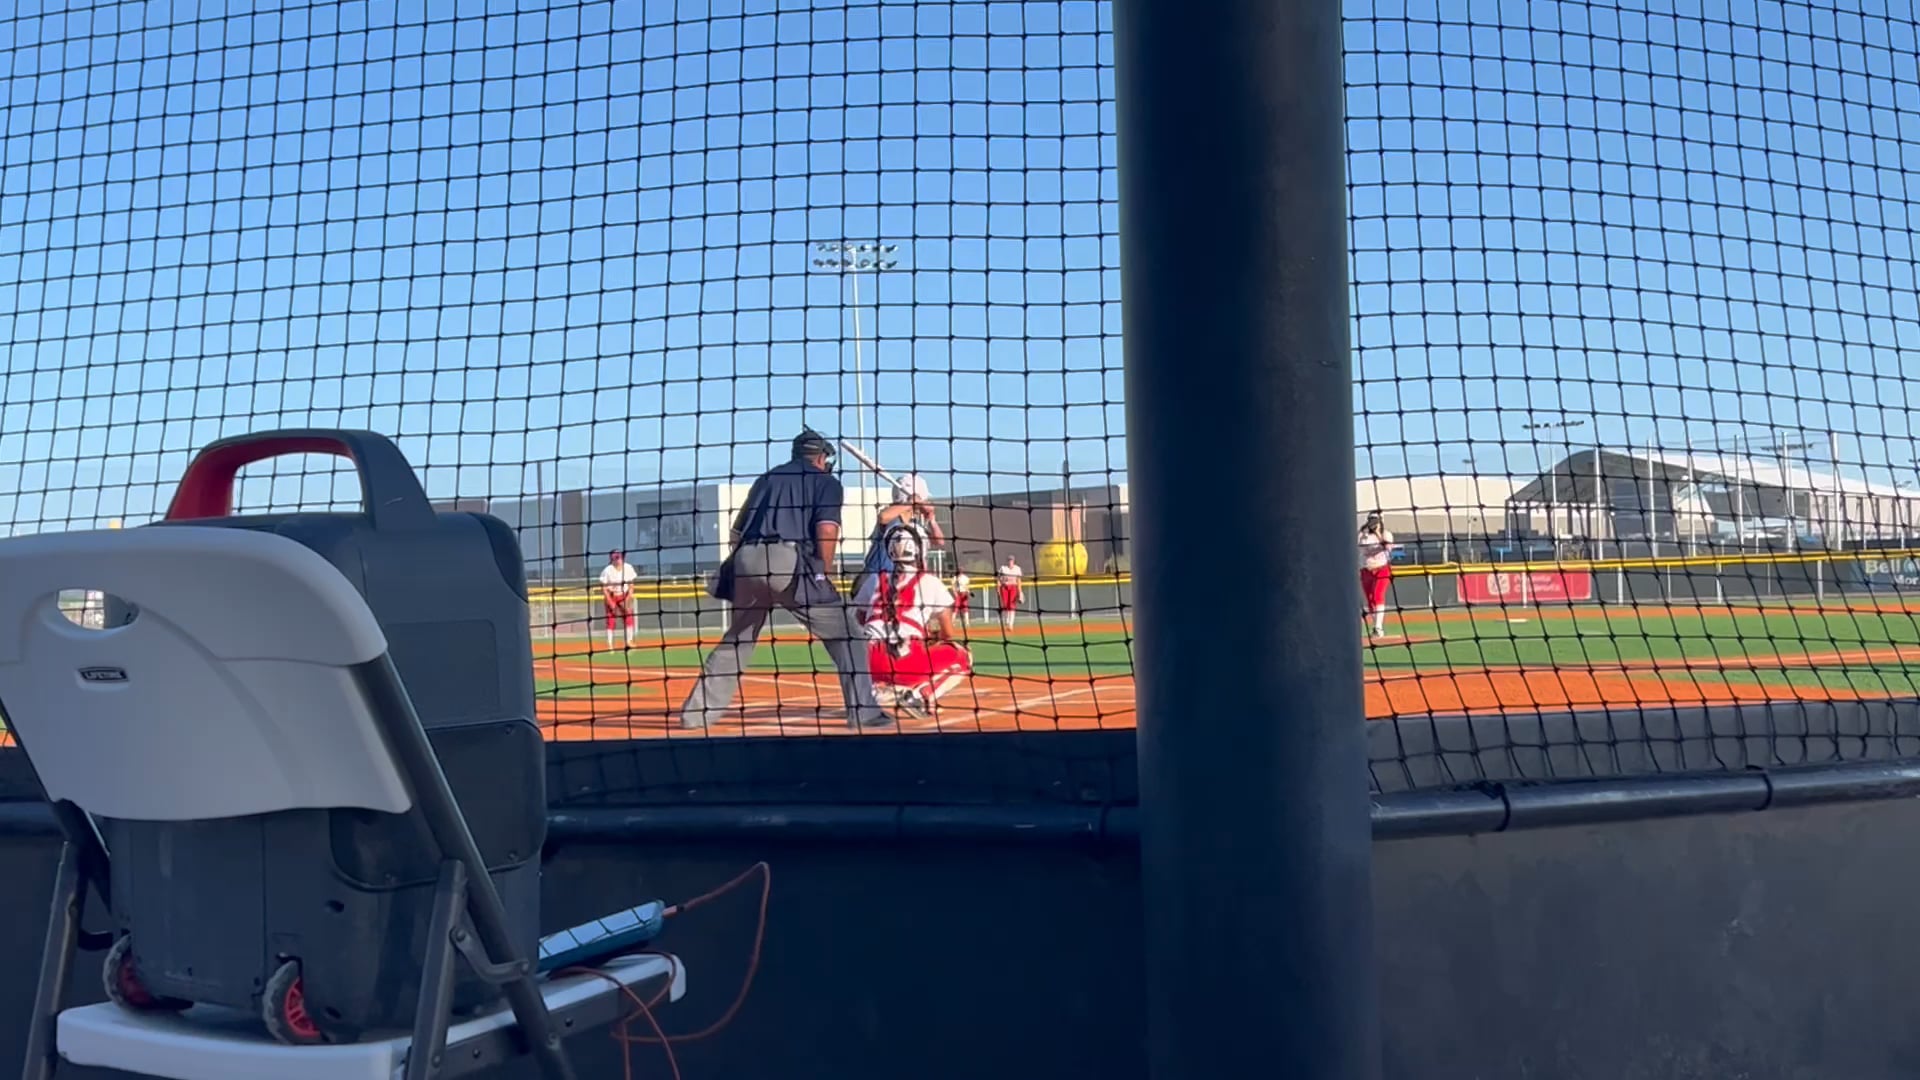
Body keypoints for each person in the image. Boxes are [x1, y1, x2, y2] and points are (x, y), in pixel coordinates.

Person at [679, 429, 890, 730]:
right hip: (788, 561)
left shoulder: (766, 479)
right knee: (848, 635)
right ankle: (864, 713)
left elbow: (736, 534)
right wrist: (822, 571)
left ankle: (695, 715)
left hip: (746, 559)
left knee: (737, 640)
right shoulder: (826, 482)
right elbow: (827, 530)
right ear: (821, 457)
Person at [853, 525, 972, 719]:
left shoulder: (874, 578)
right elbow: (948, 635)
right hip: (906, 660)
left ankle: (874, 690)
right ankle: (922, 695)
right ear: (920, 548)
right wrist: (931, 638)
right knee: (963, 656)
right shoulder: (931, 581)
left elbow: (858, 621)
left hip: (866, 661)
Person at [856, 472, 945, 594]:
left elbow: (939, 541)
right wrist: (910, 502)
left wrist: (932, 520)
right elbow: (883, 517)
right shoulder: (893, 519)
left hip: (900, 583)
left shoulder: (915, 525)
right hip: (876, 581)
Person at [1359, 511, 1399, 640]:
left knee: (1377, 595)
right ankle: (1376, 626)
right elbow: (1362, 549)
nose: (1372, 524)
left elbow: (1388, 548)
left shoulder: (1386, 534)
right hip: (1366, 569)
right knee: (1370, 599)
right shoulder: (1363, 534)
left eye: (1375, 521)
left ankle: (1378, 627)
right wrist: (1365, 533)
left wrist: (1377, 533)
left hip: (1382, 568)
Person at [599, 549, 639, 650]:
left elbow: (631, 586)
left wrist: (628, 599)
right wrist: (609, 600)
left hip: (624, 595)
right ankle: (609, 643)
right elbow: (604, 587)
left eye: (620, 557)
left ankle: (629, 641)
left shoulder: (628, 568)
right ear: (612, 559)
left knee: (628, 617)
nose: (618, 560)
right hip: (611, 595)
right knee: (611, 619)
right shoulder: (607, 570)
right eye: (616, 557)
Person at [996, 556, 1024, 631]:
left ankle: (1011, 624)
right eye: (1009, 560)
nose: (1010, 561)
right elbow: (998, 579)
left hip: (1013, 587)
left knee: (1012, 605)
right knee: (1005, 605)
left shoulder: (1017, 569)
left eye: (1011, 560)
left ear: (1014, 561)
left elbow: (1019, 580)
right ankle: (1007, 621)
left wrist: (1020, 591)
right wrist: (998, 588)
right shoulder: (1003, 568)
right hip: (1004, 587)